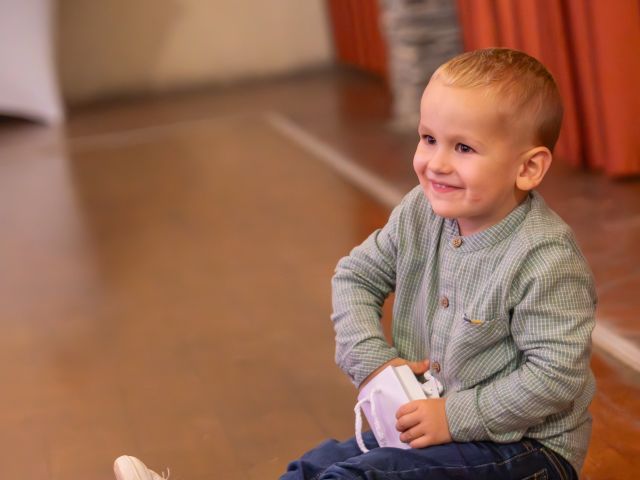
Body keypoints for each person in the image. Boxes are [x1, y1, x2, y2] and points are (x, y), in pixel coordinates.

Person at [113, 48, 596, 480]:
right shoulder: (419, 212)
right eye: (428, 138)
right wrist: (372, 363)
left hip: (525, 452)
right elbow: (356, 276)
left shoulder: (545, 259)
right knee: (313, 469)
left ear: (528, 168)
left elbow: (554, 377)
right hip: (430, 426)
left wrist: (455, 417)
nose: (436, 163)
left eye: (463, 148)